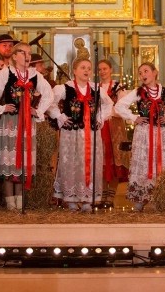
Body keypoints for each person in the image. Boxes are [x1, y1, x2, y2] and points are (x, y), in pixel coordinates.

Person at [0, 42, 54, 210]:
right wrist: (0, 107)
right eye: (23, 52)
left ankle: (20, 203)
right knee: (9, 162)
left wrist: (38, 110)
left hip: (27, 123)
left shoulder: (35, 75)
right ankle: (10, 204)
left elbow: (49, 94)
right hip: (10, 122)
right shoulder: (6, 73)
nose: (27, 56)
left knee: (23, 162)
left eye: (29, 53)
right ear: (14, 56)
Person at [46, 57, 114, 212]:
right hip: (71, 134)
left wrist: (100, 117)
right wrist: (60, 116)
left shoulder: (96, 89)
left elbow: (109, 103)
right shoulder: (65, 88)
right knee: (71, 163)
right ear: (74, 71)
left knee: (90, 163)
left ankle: (88, 200)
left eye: (89, 68)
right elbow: (51, 103)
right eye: (83, 67)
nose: (86, 71)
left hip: (91, 133)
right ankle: (71, 199)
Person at [115, 62, 165, 211]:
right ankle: (140, 199)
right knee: (143, 162)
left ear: (155, 73)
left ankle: (159, 197)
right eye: (140, 72)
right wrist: (133, 117)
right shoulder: (138, 92)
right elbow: (119, 106)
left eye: (146, 71)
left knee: (160, 162)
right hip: (143, 133)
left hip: (160, 134)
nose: (143, 75)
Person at [97, 59, 127, 207]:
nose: (102, 72)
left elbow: (121, 108)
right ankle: (102, 193)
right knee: (102, 159)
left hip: (115, 126)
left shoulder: (118, 86)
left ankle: (111, 195)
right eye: (100, 69)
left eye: (105, 69)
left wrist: (110, 110)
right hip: (100, 126)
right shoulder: (96, 87)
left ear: (110, 70)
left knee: (115, 159)